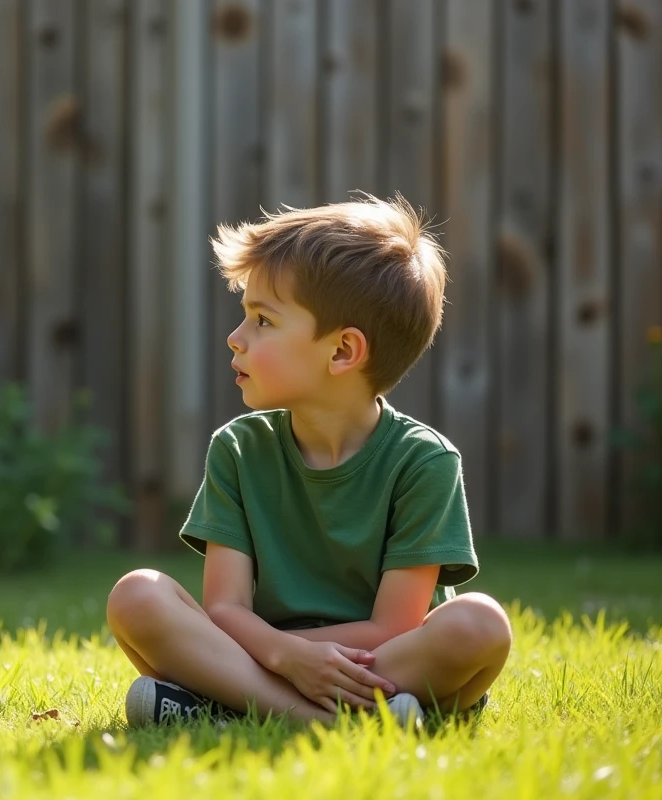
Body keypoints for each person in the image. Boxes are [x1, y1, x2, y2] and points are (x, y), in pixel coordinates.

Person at [106, 195, 512, 728]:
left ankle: (230, 705)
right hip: (265, 653)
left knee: (480, 625)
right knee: (137, 596)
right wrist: (284, 657)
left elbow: (394, 628)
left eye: (263, 321)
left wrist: (282, 657)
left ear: (342, 351)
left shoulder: (424, 462)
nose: (236, 338)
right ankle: (343, 719)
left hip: (376, 660)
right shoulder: (238, 448)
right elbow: (225, 610)